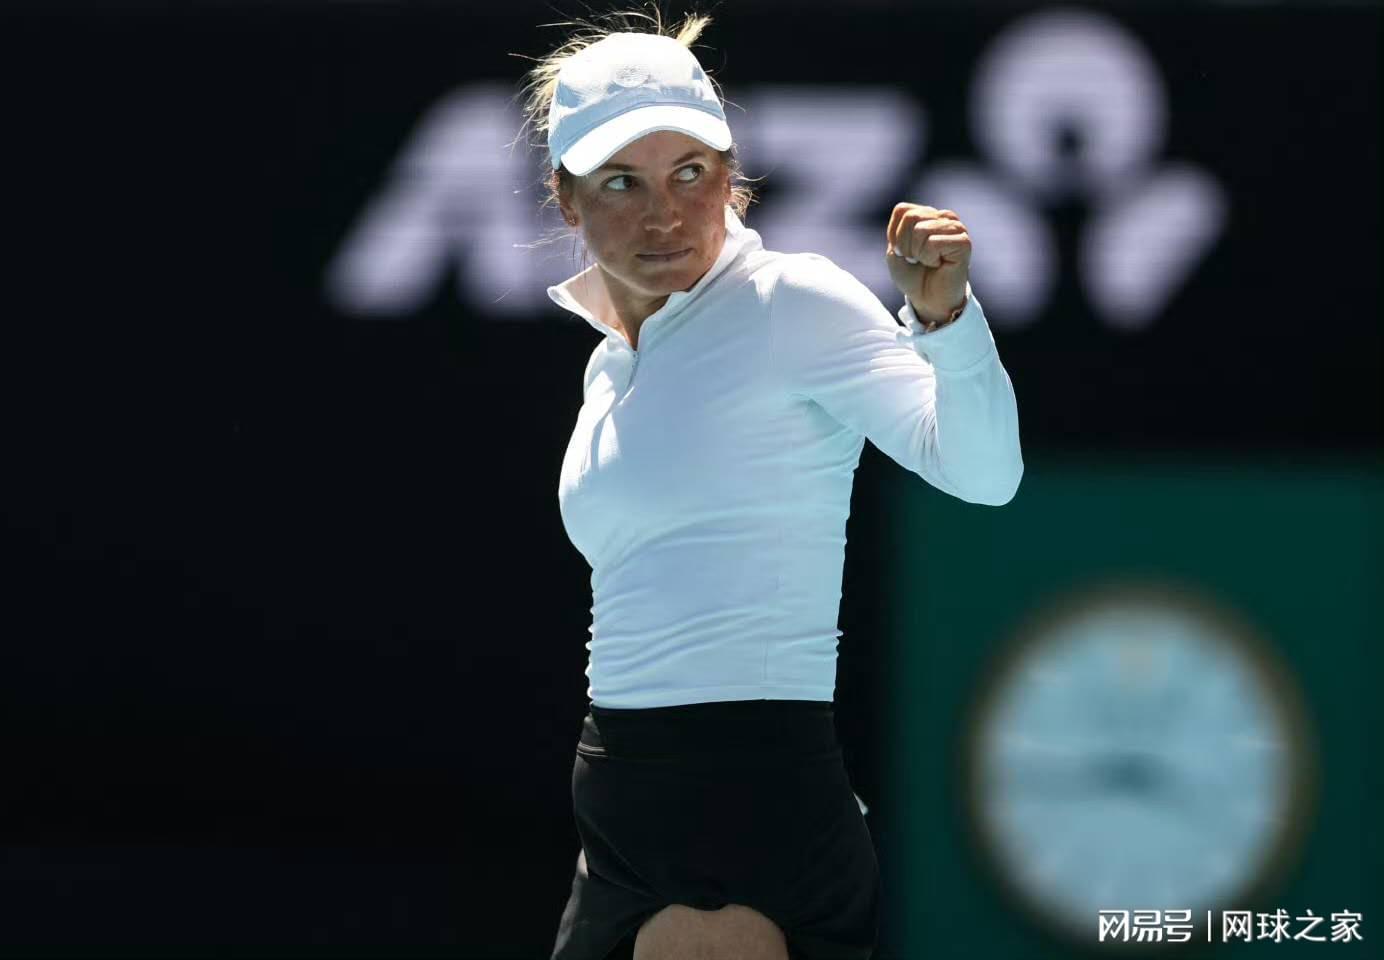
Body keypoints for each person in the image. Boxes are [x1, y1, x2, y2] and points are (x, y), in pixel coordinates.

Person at [515, 9, 1023, 959]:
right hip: (622, 812)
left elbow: (985, 474)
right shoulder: (611, 363)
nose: (663, 214)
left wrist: (946, 322)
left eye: (689, 174)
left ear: (729, 178)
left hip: (739, 809)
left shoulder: (791, 301)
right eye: (622, 182)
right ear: (567, 200)